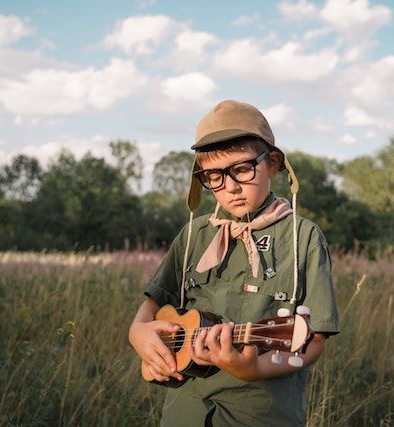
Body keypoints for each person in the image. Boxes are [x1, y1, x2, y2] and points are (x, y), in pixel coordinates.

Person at [128, 100, 339, 426]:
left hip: (259, 414)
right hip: (185, 412)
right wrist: (138, 333)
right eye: (214, 176)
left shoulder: (303, 238)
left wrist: (253, 369)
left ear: (272, 163)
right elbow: (150, 306)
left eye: (242, 169)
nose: (230, 187)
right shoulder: (194, 235)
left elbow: (314, 341)